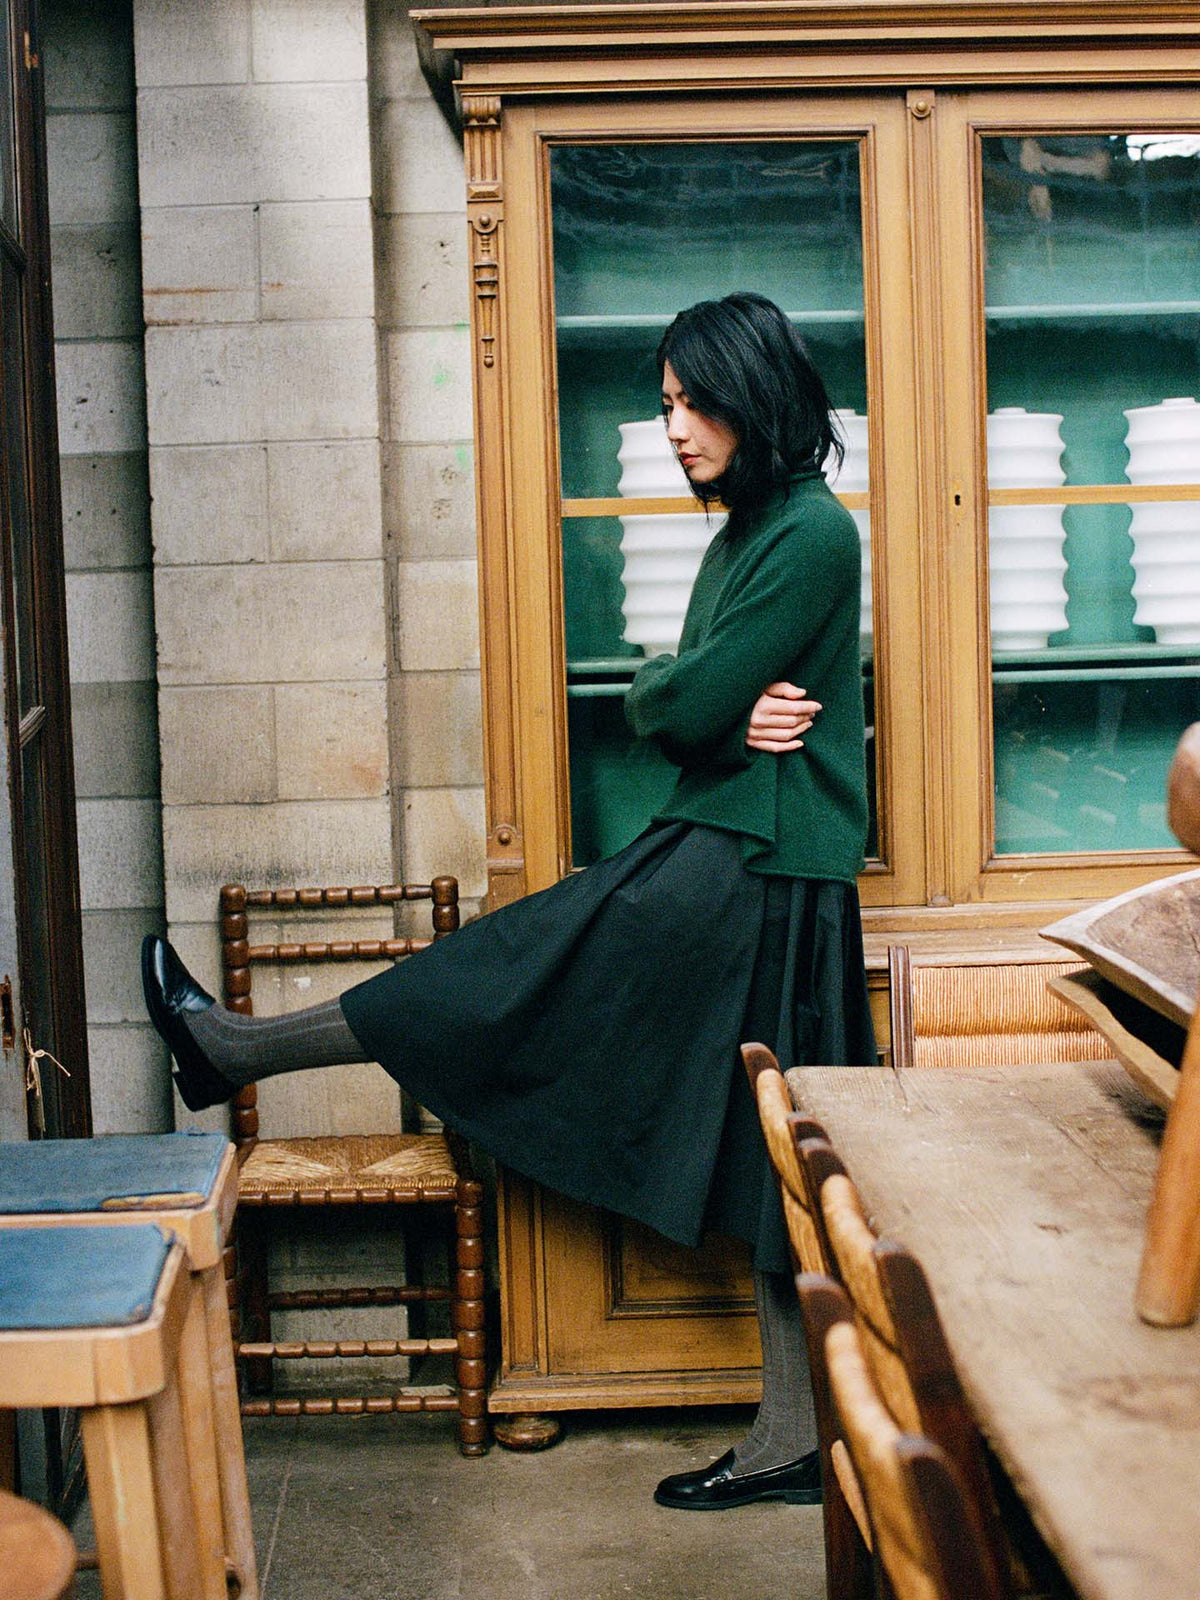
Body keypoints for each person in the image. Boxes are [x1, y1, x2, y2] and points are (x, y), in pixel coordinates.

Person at [143, 290, 876, 1512]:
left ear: (756, 393)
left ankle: (233, 1047)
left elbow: (680, 710)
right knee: (723, 1133)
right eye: (663, 406)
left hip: (763, 872)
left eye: (694, 401)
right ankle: (229, 1046)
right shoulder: (747, 535)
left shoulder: (808, 535)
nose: (675, 427)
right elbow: (674, 695)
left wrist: (699, 707)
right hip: (731, 849)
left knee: (570, 1022)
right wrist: (695, 703)